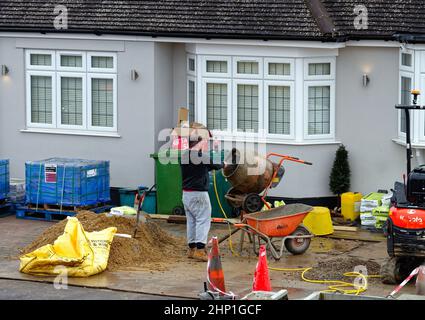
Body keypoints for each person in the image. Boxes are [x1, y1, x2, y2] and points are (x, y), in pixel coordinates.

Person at [179, 126, 226, 262]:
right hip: (199, 194)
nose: (207, 144)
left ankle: (191, 249)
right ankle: (200, 250)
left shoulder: (184, 156)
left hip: (186, 194)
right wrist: (224, 162)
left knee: (192, 221)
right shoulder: (201, 157)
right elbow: (216, 165)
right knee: (203, 220)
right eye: (205, 141)